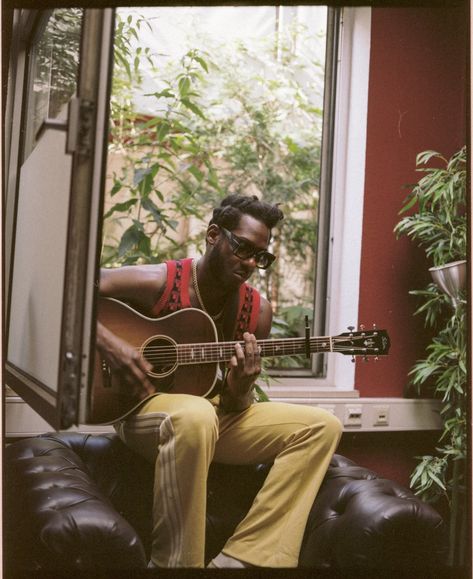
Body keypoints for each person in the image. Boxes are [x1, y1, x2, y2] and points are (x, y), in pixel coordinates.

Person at [97, 194, 342, 568]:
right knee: (195, 414)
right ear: (214, 235)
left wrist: (241, 386)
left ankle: (242, 558)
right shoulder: (161, 280)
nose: (249, 263)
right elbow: (69, 290)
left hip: (208, 417)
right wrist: (112, 345)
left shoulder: (257, 311)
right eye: (242, 247)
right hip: (143, 411)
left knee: (322, 426)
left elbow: (231, 407)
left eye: (260, 257)